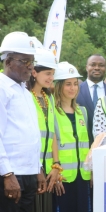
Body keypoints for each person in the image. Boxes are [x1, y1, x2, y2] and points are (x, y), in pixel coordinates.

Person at [0, 31, 46, 212]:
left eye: (32, 62)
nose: (30, 67)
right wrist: (7, 174)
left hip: (28, 174)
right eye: (24, 61)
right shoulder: (2, 89)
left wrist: (38, 168)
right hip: (10, 175)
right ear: (8, 61)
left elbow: (30, 134)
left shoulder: (25, 92)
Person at [26, 45, 63, 212]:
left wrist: (56, 165)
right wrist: (36, 167)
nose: (51, 78)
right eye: (48, 73)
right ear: (34, 73)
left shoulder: (48, 97)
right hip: (30, 169)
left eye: (53, 74)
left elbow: (53, 134)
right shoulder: (25, 96)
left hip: (48, 171)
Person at [53, 62, 92, 212]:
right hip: (62, 177)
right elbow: (52, 144)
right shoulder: (52, 112)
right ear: (59, 86)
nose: (73, 88)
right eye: (68, 84)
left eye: (75, 84)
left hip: (82, 176)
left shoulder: (82, 111)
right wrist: (55, 171)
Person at [76, 54, 106, 146]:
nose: (97, 68)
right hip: (83, 146)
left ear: (105, 68)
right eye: (93, 65)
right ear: (86, 67)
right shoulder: (76, 91)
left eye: (101, 65)